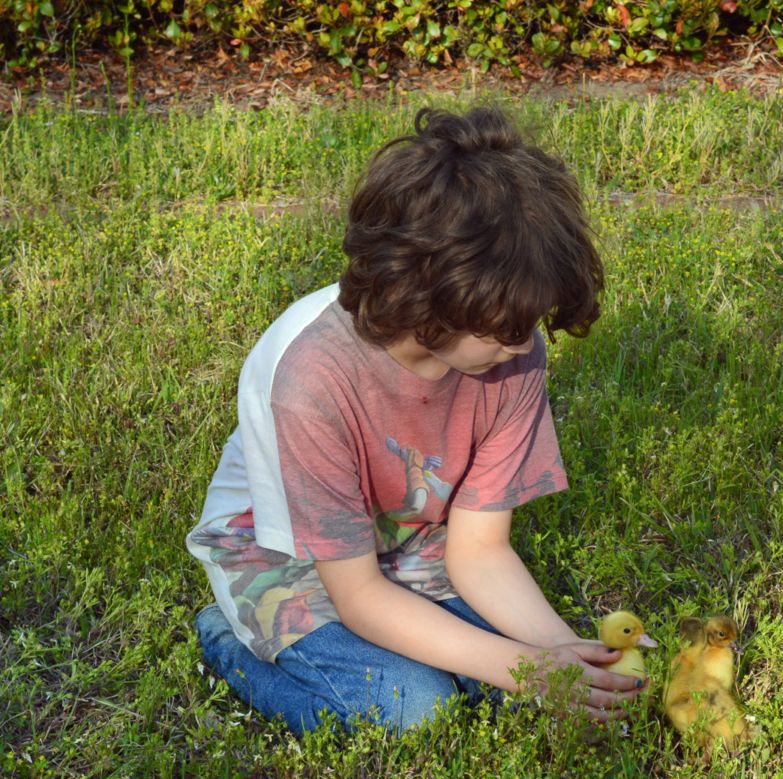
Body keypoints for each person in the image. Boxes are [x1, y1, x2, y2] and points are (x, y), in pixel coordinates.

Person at [187, 106, 641, 734]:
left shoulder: (512, 356)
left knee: (508, 693)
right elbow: (358, 596)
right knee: (417, 709)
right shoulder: (310, 377)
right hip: (279, 556)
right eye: (507, 325)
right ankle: (228, 639)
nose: (524, 342)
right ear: (430, 295)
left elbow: (480, 550)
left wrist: (567, 661)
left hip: (406, 540)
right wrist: (525, 668)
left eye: (531, 321)